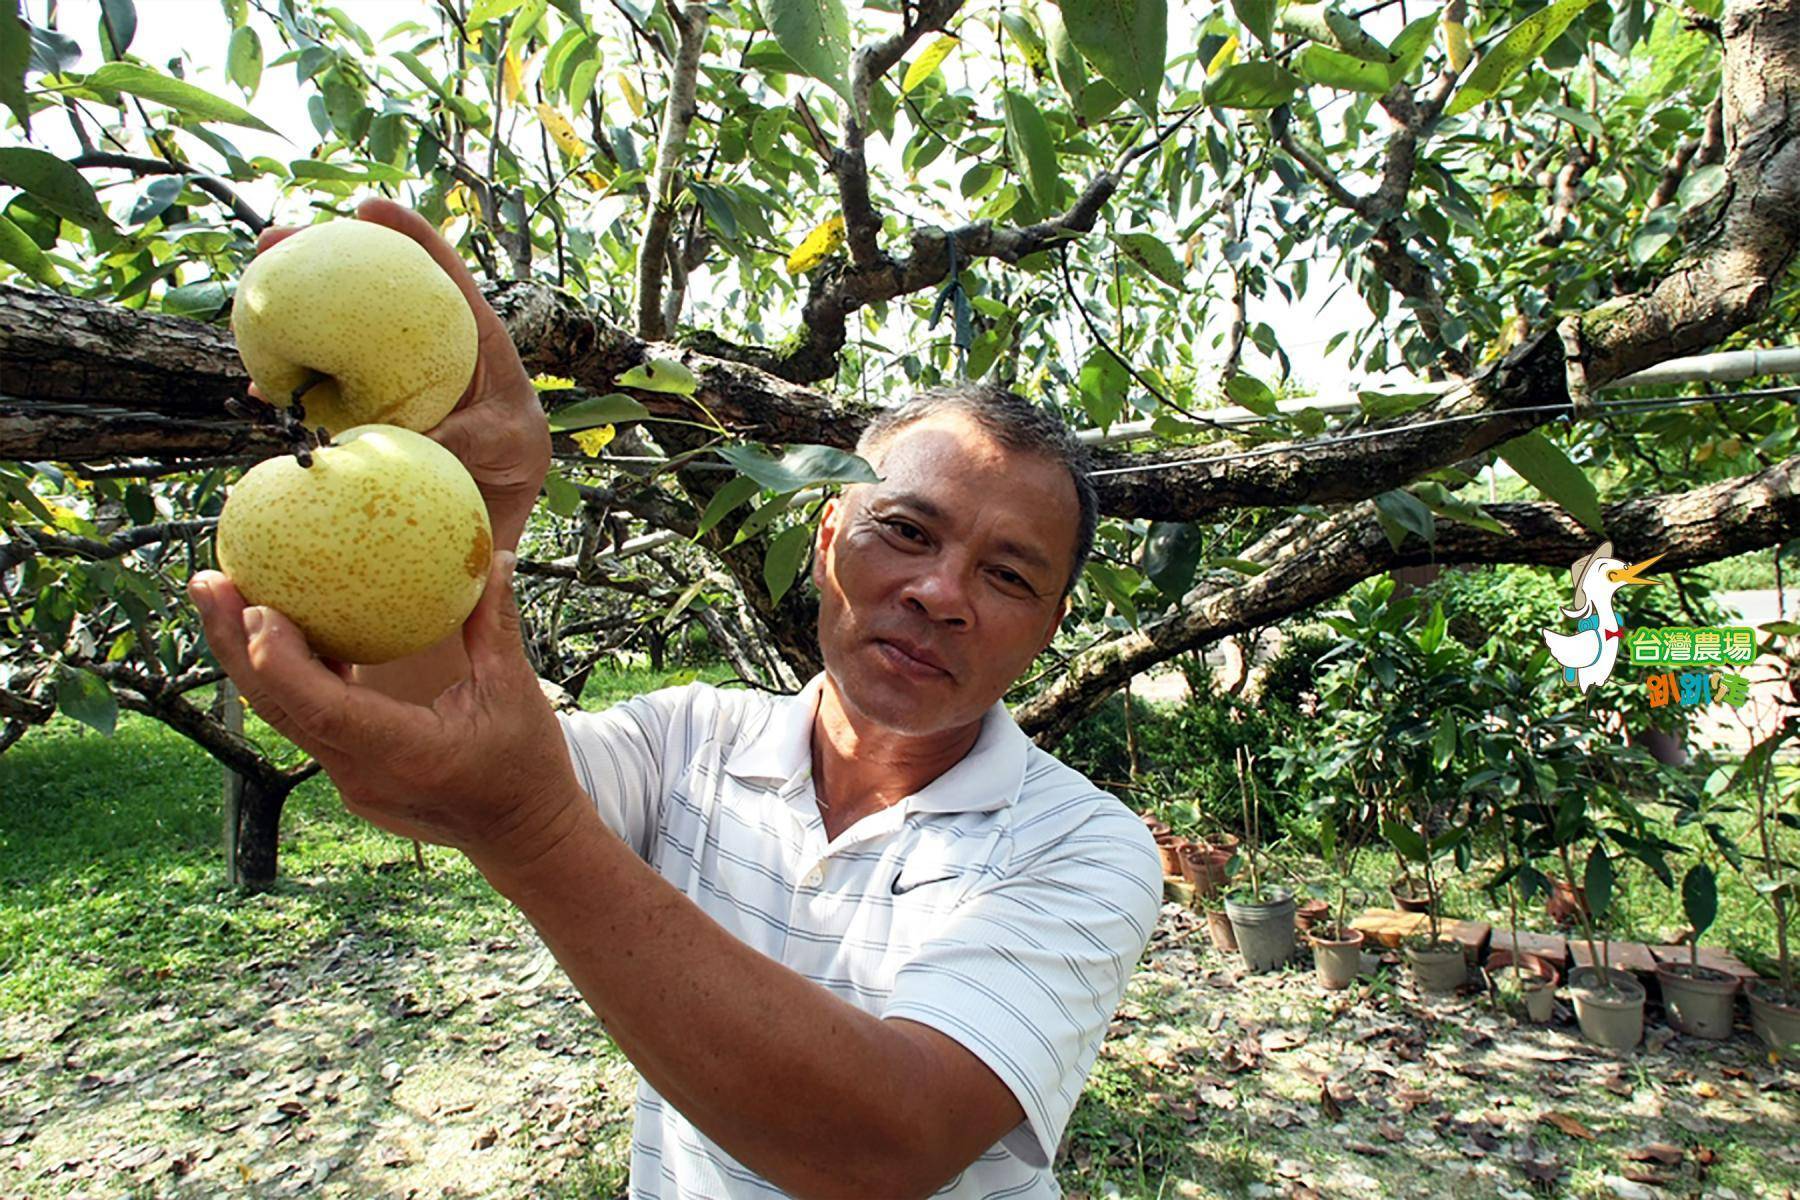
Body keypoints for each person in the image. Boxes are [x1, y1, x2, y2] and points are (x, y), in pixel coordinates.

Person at [188, 199, 1162, 1200]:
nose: (940, 594)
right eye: (907, 531)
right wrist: (471, 513)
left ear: (1050, 627)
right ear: (827, 539)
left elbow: (884, 1147)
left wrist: (529, 829)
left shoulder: (1084, 846)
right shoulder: (691, 739)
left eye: (1008, 577)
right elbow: (436, 747)